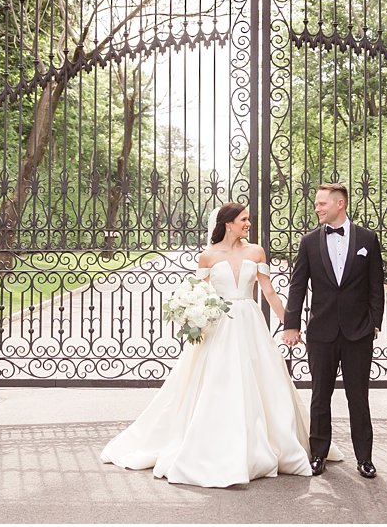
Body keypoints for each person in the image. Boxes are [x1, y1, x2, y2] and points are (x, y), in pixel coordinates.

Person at [100, 202, 333, 487]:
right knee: (219, 381)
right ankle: (217, 444)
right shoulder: (207, 257)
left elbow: (269, 291)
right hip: (220, 325)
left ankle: (269, 443)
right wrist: (192, 313)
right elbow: (200, 294)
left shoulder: (255, 251)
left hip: (250, 324)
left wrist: (289, 322)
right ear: (228, 223)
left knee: (261, 380)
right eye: (244, 219)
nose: (248, 224)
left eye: (248, 219)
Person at [280, 182, 385, 479]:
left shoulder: (367, 238)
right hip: (321, 332)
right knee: (320, 395)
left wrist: (374, 323)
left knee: (358, 397)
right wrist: (291, 324)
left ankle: (364, 458)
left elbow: (376, 285)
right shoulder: (309, 241)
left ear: (340, 204)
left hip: (358, 332)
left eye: (322, 203)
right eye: (316, 203)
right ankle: (318, 455)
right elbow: (297, 285)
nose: (317, 207)